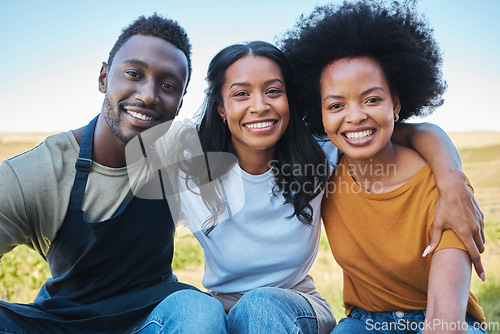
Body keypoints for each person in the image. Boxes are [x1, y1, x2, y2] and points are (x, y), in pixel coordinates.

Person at [166, 38, 484, 333]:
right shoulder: (189, 169)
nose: (260, 105)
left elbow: (405, 132)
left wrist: (451, 177)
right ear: (221, 107)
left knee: (259, 307)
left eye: (274, 91)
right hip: (245, 306)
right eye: (241, 93)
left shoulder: (319, 156)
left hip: (297, 305)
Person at [0, 14, 227, 333]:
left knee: (199, 310)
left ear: (180, 101)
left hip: (152, 318)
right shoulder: (35, 175)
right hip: (61, 322)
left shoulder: (183, 157)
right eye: (134, 74)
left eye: (167, 85)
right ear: (104, 78)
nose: (148, 95)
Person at [280, 1, 486, 333]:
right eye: (336, 105)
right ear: (319, 114)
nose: (355, 116)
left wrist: (450, 176)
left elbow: (444, 320)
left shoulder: (443, 186)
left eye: (372, 99)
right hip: (364, 323)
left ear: (397, 104)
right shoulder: (324, 171)